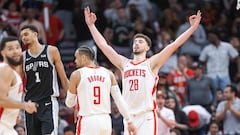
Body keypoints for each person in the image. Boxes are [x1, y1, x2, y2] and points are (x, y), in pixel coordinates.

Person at [85, 6, 202, 135]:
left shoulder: (151, 63)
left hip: (146, 116)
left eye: (140, 41)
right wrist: (91, 26)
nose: (136, 43)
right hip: (129, 117)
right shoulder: (124, 63)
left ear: (147, 47)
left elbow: (174, 45)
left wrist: (192, 28)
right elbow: (103, 45)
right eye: (135, 42)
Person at [65, 46, 136, 135]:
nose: (75, 61)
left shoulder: (77, 74)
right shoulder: (108, 73)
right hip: (105, 121)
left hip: (88, 121)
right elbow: (119, 100)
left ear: (83, 58)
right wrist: (129, 120)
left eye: (76, 58)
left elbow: (69, 103)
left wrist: (76, 97)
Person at [20, 25, 69, 135]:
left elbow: (64, 79)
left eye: (26, 34)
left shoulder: (51, 51)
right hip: (30, 103)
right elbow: (18, 83)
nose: (23, 37)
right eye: (22, 36)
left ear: (35, 34)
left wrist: (73, 100)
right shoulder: (22, 57)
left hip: (48, 101)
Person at [0, 36, 37, 135]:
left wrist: (12, 113)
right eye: (10, 49)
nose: (15, 51)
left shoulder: (12, 72)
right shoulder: (5, 69)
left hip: (7, 125)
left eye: (17, 47)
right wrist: (24, 105)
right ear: (2, 52)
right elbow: (1, 99)